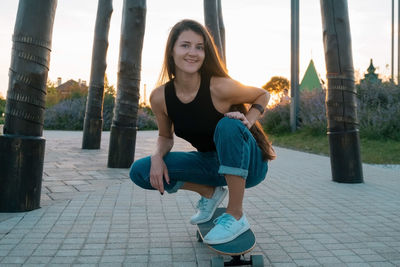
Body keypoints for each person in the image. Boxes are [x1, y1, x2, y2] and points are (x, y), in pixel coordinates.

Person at [130, 19, 276, 245]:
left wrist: (248, 120)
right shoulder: (160, 97)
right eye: (185, 45)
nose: (193, 53)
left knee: (228, 125)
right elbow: (165, 136)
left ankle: (235, 214)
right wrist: (157, 156)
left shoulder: (218, 86)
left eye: (199, 47)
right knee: (141, 171)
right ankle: (209, 192)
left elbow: (262, 94)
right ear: (172, 51)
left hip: (250, 165)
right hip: (213, 164)